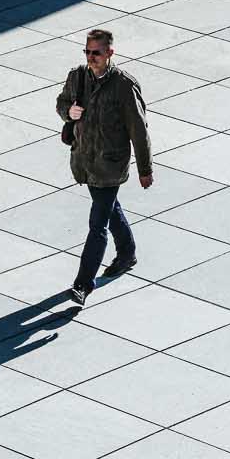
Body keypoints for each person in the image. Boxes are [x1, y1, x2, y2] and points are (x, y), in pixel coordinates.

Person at [56, 28, 154, 306]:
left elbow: (139, 130)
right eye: (87, 52)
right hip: (84, 161)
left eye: (96, 53)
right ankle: (127, 253)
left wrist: (144, 168)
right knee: (109, 208)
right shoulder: (77, 76)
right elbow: (62, 102)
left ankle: (82, 284)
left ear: (110, 53)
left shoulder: (124, 85)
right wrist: (68, 112)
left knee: (97, 224)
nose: (90, 57)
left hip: (110, 165)